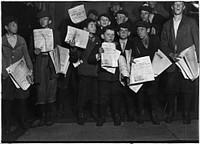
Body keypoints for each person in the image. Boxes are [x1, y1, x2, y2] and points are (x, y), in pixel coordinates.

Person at [161, 1, 199, 124]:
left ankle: (186, 113)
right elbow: (163, 44)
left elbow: (197, 41)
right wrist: (171, 54)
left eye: (180, 4)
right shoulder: (166, 25)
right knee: (171, 89)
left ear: (183, 7)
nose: (177, 7)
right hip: (172, 63)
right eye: (175, 5)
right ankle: (171, 112)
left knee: (187, 88)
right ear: (172, 7)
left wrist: (198, 60)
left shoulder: (191, 22)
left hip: (188, 61)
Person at [2, 16, 33, 136]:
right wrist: (3, 72)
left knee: (22, 99)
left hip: (20, 74)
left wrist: (30, 70)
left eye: (16, 24)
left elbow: (26, 56)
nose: (15, 26)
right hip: (7, 76)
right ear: (6, 27)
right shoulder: (2, 41)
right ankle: (7, 126)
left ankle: (23, 122)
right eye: (12, 24)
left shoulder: (21, 40)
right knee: (7, 101)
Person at [31, 11, 61, 127]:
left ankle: (49, 116)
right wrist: (35, 52)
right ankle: (42, 116)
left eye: (45, 19)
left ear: (50, 21)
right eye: (41, 19)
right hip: (40, 63)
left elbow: (60, 48)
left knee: (52, 88)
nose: (43, 21)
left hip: (52, 62)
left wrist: (54, 50)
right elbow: (30, 52)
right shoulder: (34, 34)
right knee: (40, 90)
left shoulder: (56, 33)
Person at [69, 18, 101, 125]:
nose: (94, 27)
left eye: (95, 25)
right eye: (91, 25)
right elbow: (74, 58)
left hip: (95, 72)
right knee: (83, 95)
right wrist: (73, 49)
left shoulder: (98, 39)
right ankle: (80, 113)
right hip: (84, 71)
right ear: (85, 28)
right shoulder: (80, 40)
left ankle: (95, 113)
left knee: (95, 94)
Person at [88, 25, 122, 126]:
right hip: (103, 77)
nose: (111, 37)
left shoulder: (117, 46)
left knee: (115, 97)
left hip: (115, 77)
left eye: (112, 35)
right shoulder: (99, 46)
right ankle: (102, 116)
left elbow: (122, 59)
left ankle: (116, 116)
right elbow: (90, 59)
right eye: (108, 35)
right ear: (103, 36)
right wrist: (98, 54)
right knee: (103, 98)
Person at [132, 21, 160, 125]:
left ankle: (154, 114)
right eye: (138, 30)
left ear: (148, 30)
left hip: (154, 71)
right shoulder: (134, 41)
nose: (139, 32)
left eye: (142, 29)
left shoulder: (155, 39)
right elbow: (131, 54)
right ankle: (141, 114)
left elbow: (160, 53)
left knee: (153, 94)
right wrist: (131, 59)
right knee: (140, 94)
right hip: (141, 71)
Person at [117, 22, 135, 122]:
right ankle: (121, 114)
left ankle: (131, 114)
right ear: (118, 33)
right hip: (118, 74)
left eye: (125, 31)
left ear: (129, 33)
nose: (123, 32)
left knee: (130, 95)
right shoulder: (113, 44)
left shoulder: (133, 43)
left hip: (130, 72)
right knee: (119, 95)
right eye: (121, 31)